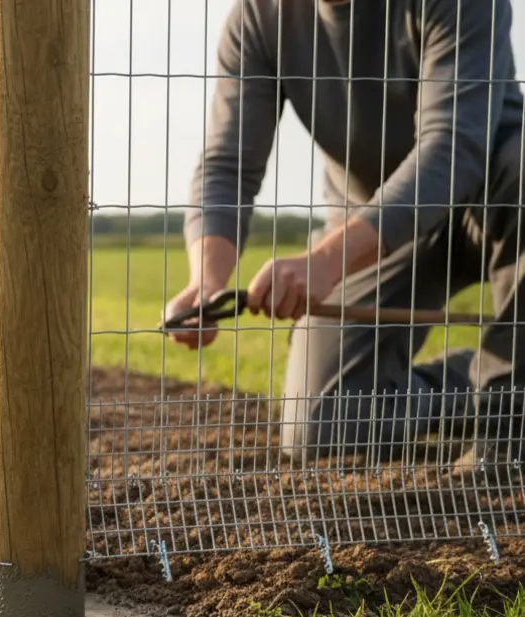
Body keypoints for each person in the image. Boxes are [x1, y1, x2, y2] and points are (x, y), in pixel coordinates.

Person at [163, 0, 525, 474]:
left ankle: (508, 417)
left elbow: (451, 147)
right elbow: (227, 165)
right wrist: (206, 282)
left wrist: (325, 261)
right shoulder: (258, 18)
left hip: (495, 196)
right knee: (319, 427)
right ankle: (469, 380)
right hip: (373, 230)